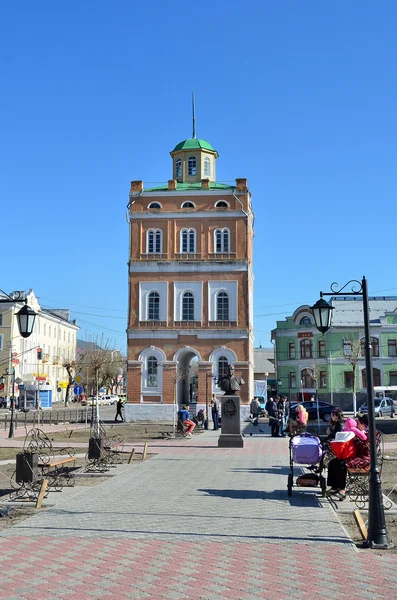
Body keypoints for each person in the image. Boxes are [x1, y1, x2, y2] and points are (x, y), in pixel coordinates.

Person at [327, 414, 370, 500]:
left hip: (363, 458)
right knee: (333, 462)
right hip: (353, 455)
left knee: (342, 464)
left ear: (364, 425)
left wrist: (356, 440)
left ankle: (342, 489)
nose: (357, 425)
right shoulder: (357, 431)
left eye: (359, 423)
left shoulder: (367, 434)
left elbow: (366, 449)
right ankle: (335, 487)